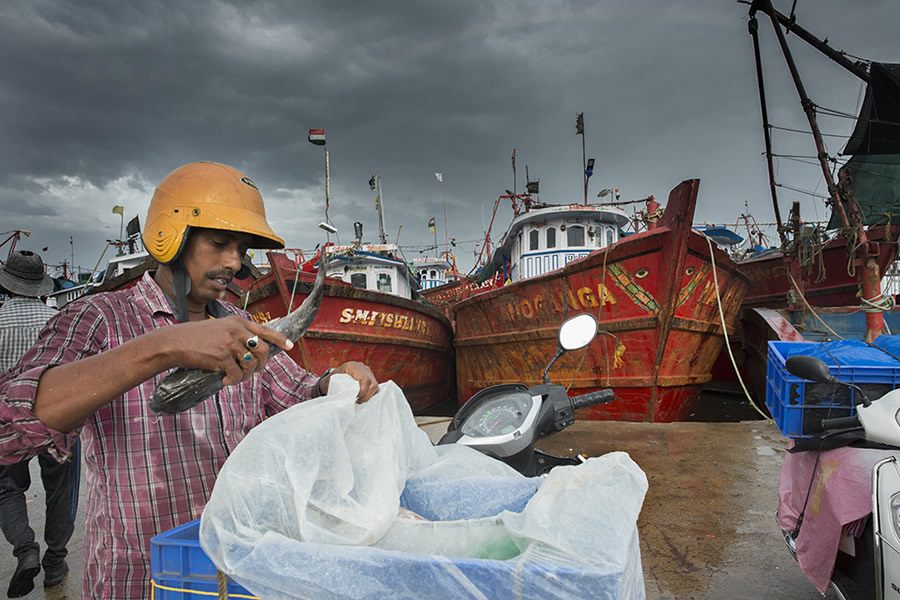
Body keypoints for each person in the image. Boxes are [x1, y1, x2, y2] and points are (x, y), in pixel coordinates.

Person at [0, 162, 380, 599]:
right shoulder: (99, 318)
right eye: (219, 244)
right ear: (172, 238)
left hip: (235, 571)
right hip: (142, 577)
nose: (233, 262)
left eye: (240, 249)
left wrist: (336, 382)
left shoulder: (240, 324)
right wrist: (168, 346)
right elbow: (9, 427)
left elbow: (293, 391)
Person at [0, 251, 80, 597]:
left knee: (6, 488)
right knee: (61, 488)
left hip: (6, 422)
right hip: (57, 416)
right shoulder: (58, 321)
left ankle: (25, 549)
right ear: (40, 286)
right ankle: (55, 563)